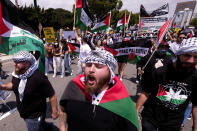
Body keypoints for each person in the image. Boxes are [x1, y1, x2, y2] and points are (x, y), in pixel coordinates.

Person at [59, 50, 139, 131]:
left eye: (98, 66)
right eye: (89, 65)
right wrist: (62, 128)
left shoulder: (122, 101)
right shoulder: (74, 86)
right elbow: (62, 110)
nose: (91, 69)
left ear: (110, 72)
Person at [136, 37, 197, 131]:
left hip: (173, 124)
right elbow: (146, 92)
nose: (191, 60)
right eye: (187, 55)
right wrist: (136, 111)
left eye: (196, 57)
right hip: (151, 118)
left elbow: (195, 105)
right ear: (179, 54)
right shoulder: (160, 72)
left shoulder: (195, 77)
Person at [0, 51, 58, 131]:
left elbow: (52, 95)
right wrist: (3, 87)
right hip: (25, 112)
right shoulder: (18, 73)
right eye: (14, 62)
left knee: (35, 127)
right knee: (41, 125)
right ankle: (47, 126)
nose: (14, 64)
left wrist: (54, 112)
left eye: (17, 62)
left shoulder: (38, 77)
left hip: (35, 115)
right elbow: (15, 85)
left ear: (27, 63)